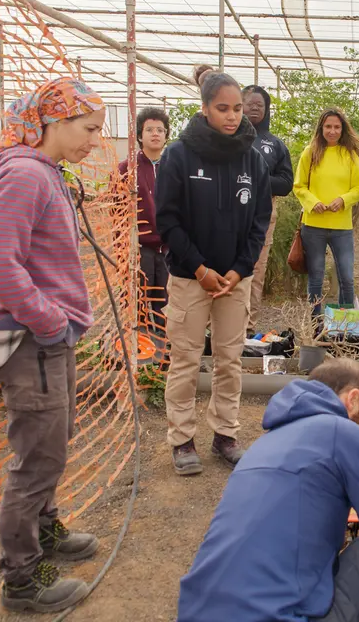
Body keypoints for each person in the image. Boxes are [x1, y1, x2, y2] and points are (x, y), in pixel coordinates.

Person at [176, 358, 359, 622]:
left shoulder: (263, 446)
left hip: (196, 612)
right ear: (352, 399)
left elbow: (295, 553)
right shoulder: (343, 432)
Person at [0, 77, 104, 613]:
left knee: (54, 441)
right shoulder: (27, 175)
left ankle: (46, 531)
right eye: (88, 128)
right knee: (37, 458)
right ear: (53, 121)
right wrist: (48, 320)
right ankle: (22, 580)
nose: (96, 140)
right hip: (34, 338)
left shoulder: (44, 171)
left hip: (49, 336)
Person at [154, 71, 272, 475]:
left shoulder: (252, 158)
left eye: (238, 108)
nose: (233, 116)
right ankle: (182, 439)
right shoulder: (178, 156)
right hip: (191, 279)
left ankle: (225, 434)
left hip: (234, 283)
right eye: (223, 108)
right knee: (185, 360)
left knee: (229, 360)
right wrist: (200, 269)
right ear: (204, 109)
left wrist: (240, 272)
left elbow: (260, 221)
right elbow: (167, 222)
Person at [293, 108, 359, 311]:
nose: (332, 131)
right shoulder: (310, 152)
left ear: (343, 129)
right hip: (313, 226)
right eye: (328, 127)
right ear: (321, 128)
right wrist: (312, 201)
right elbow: (299, 186)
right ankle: (315, 327)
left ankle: (345, 327)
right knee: (315, 277)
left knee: (347, 278)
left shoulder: (350, 155)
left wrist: (343, 200)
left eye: (336, 127)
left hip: (342, 227)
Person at [243, 84, 294, 334]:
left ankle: (249, 329)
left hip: (263, 216)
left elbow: (286, 184)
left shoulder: (275, 144)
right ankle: (216, 329)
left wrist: (256, 178)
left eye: (259, 105)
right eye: (249, 103)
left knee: (256, 272)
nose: (254, 108)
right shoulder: (227, 139)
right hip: (226, 216)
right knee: (224, 267)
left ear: (266, 109)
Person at [116, 106, 170, 338]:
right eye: (149, 129)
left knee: (166, 304)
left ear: (167, 135)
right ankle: (138, 351)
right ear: (139, 135)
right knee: (136, 301)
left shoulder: (173, 166)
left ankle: (164, 352)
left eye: (160, 129)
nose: (155, 134)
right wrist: (123, 249)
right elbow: (117, 212)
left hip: (169, 248)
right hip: (139, 247)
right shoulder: (127, 169)